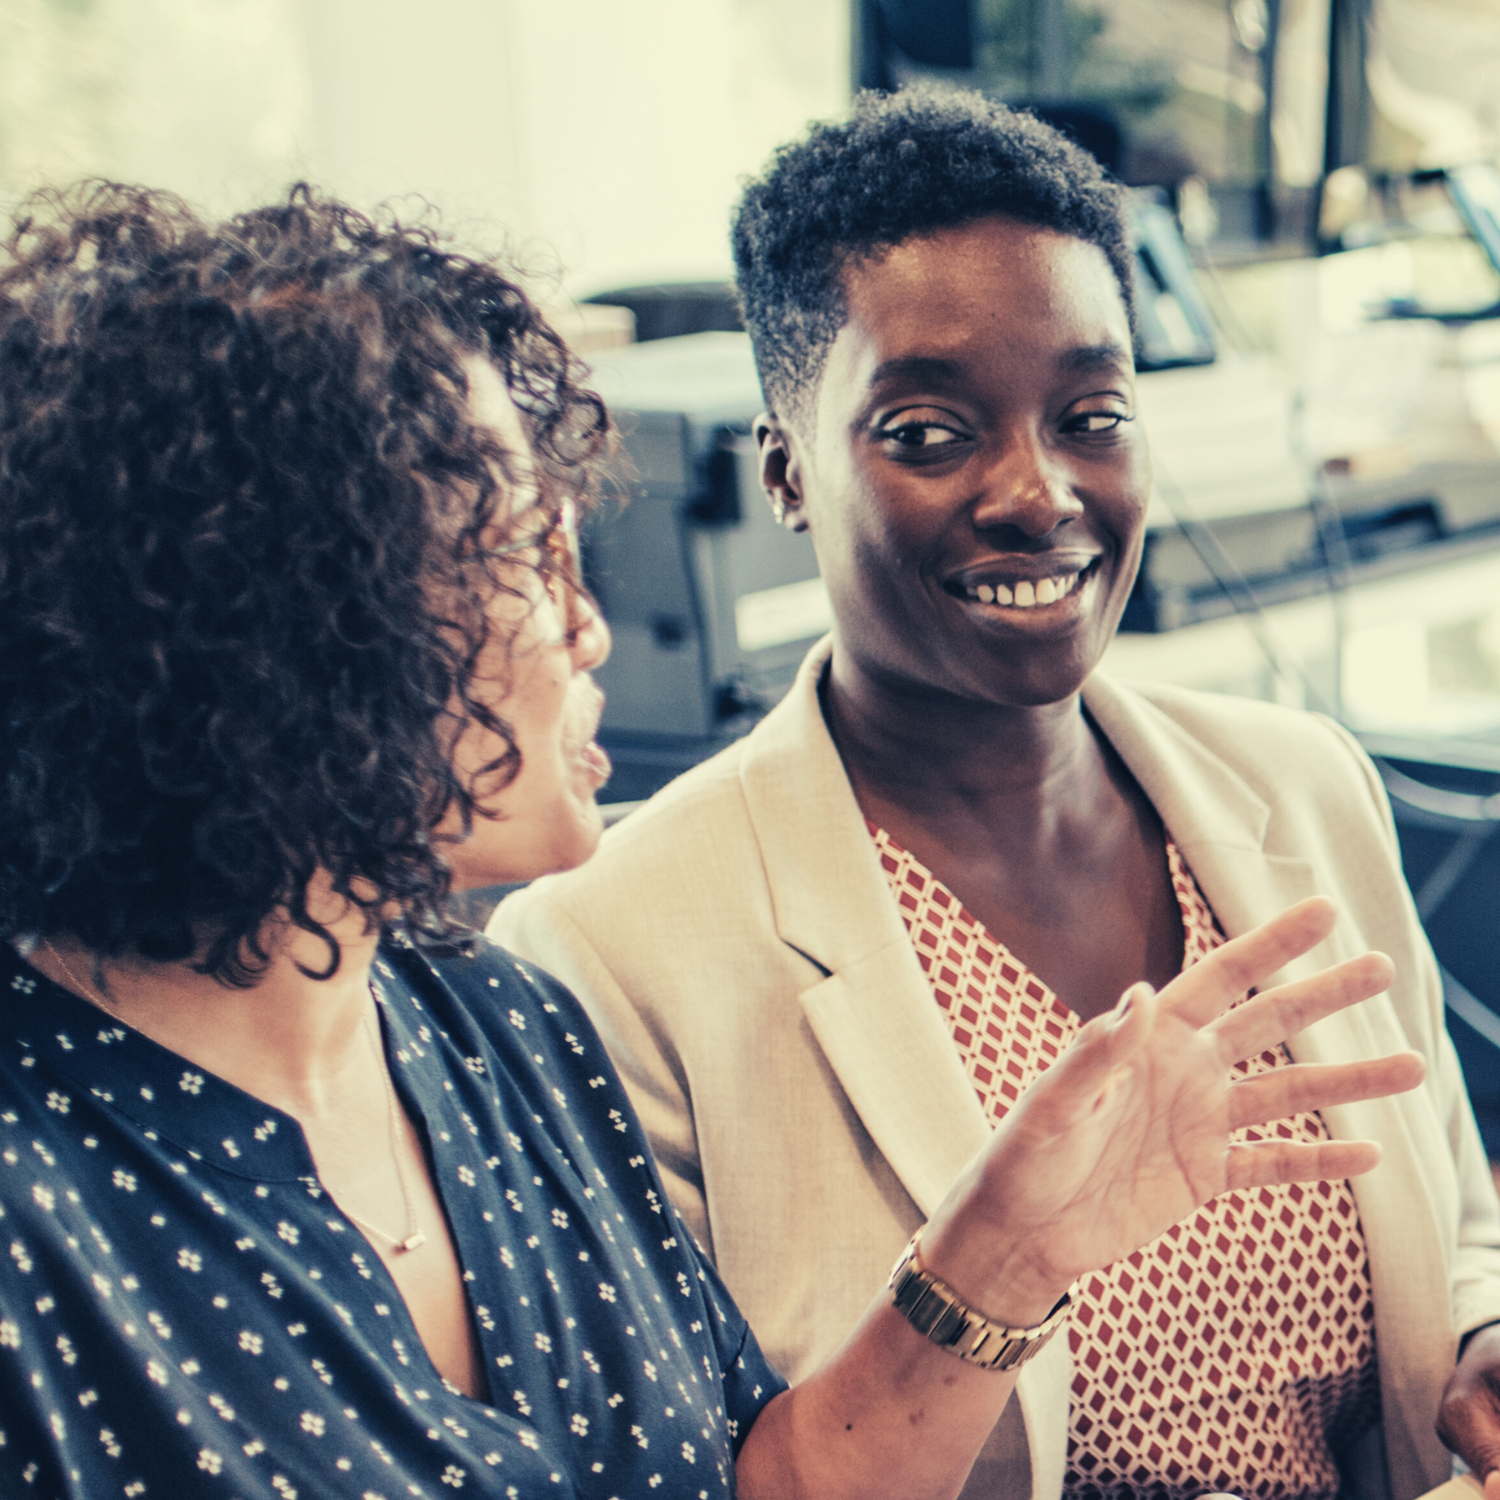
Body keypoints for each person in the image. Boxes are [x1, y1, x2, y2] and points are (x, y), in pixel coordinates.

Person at [0, 180, 1420, 1500]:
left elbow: (765, 1480)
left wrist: (1002, 1260)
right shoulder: (39, 1211)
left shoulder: (493, 1032)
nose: (587, 625)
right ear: (263, 634)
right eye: (516, 558)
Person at [492, 88, 1500, 1500]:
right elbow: (665, 1471)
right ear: (787, 472)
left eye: (1092, 413)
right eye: (925, 432)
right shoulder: (606, 953)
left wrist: (1482, 1335)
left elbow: (1457, 1220)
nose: (1038, 491)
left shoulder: (1298, 784)